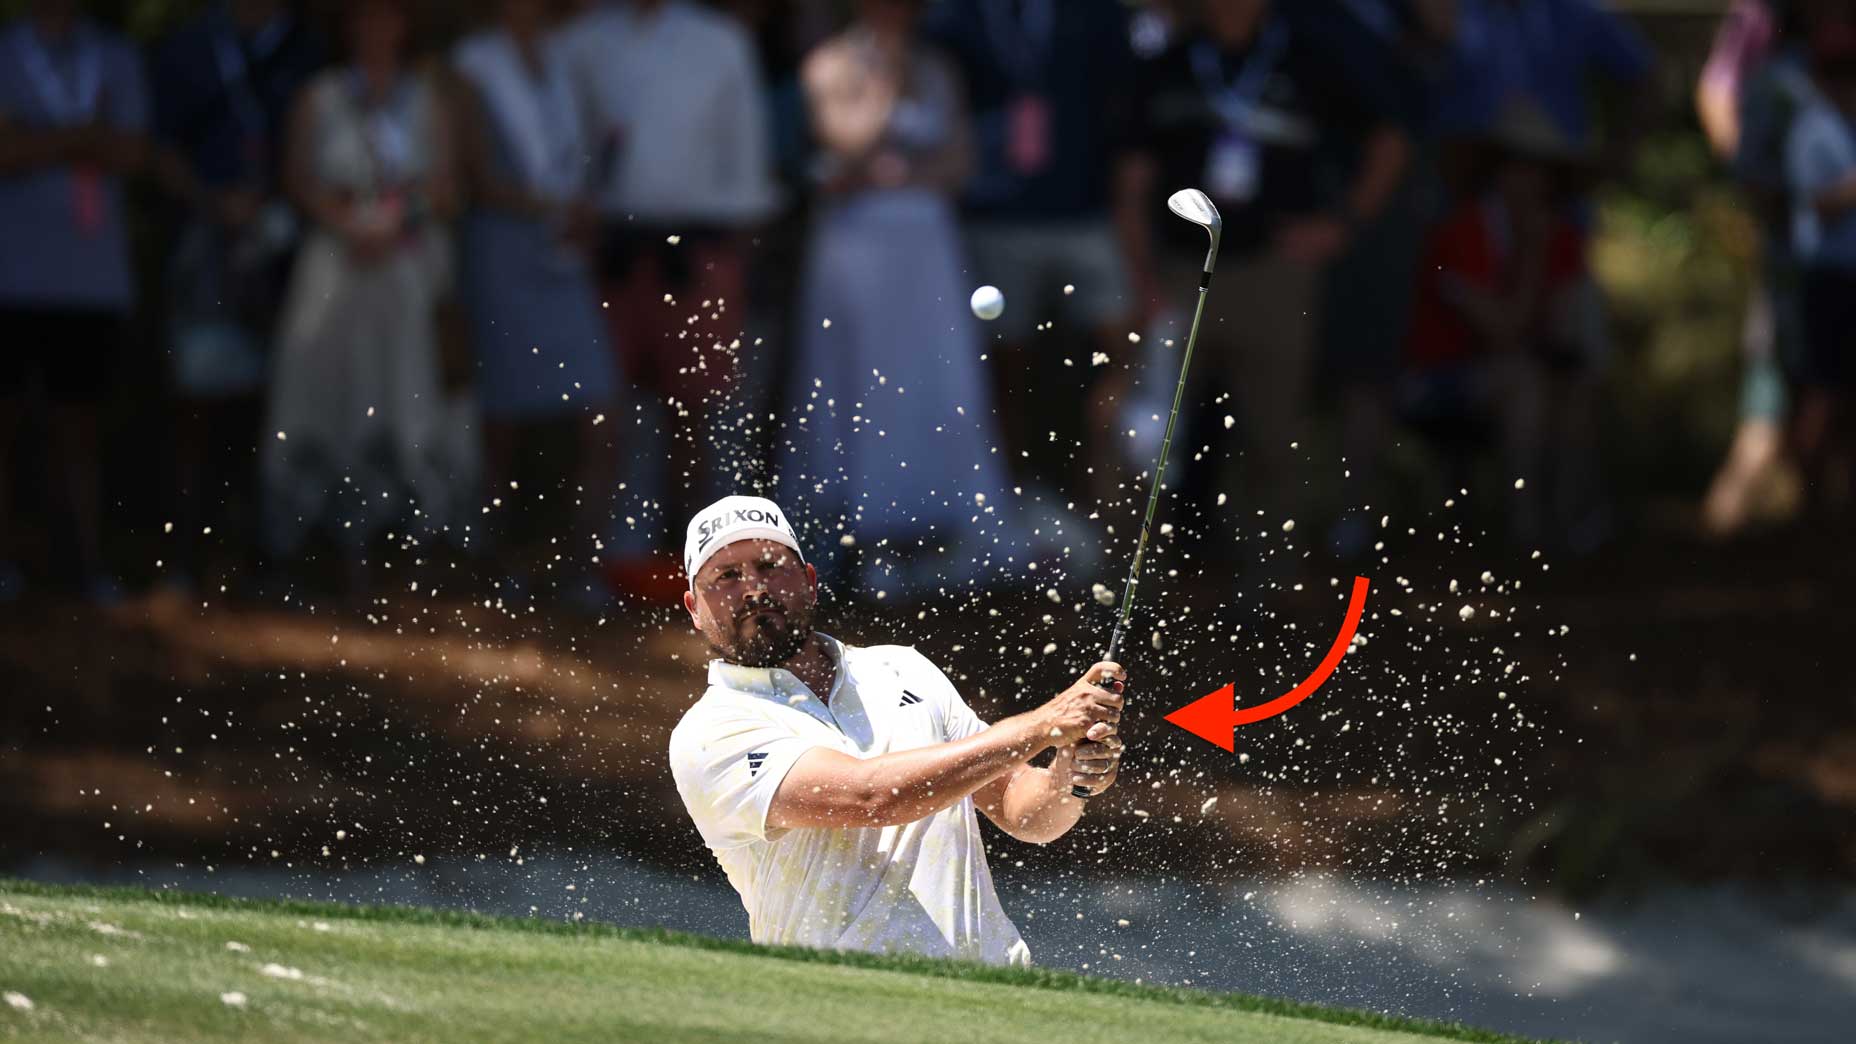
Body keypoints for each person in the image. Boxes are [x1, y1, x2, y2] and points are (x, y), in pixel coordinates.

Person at [668, 493, 1125, 962]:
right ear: (694, 608)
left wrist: (1068, 778)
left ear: (809, 581)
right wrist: (1047, 724)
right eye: (726, 576)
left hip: (991, 999)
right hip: (843, 1008)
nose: (753, 589)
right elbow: (873, 797)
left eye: (769, 566)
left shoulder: (903, 669)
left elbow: (1023, 813)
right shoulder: (709, 733)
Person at [1116, 0, 1411, 528]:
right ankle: (1133, 589)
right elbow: (1133, 177)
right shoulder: (1167, 62)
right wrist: (1142, 277)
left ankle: (1269, 595)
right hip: (1181, 273)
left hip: (1276, 271)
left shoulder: (1312, 54)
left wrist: (1341, 225)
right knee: (1152, 435)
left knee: (1274, 440)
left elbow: (1391, 136)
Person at [262, 0, 470, 594]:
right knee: (326, 391)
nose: (375, 28)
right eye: (363, 16)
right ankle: (314, 547)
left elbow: (449, 186)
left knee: (407, 390)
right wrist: (350, 224)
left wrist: (397, 219)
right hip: (336, 265)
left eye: (387, 16)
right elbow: (298, 179)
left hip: (407, 268)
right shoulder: (321, 95)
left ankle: (414, 547)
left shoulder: (426, 99)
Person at [557, 0, 779, 554]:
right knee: (601, 409)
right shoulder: (582, 41)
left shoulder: (721, 42)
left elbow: (747, 162)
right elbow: (566, 153)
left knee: (695, 413)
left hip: (698, 248)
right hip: (611, 249)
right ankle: (595, 557)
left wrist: (738, 254)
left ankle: (692, 562)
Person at [924, 0, 1137, 508]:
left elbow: (1125, 106)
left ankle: (1110, 498)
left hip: (1085, 211)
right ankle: (1009, 499)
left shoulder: (1098, 14)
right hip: (996, 217)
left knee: (1117, 349)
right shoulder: (956, 16)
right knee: (1003, 363)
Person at [150, 0, 325, 592]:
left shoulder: (306, 49)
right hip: (207, 249)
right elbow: (157, 143)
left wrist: (283, 199)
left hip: (287, 250)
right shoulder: (190, 46)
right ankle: (186, 558)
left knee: (278, 407)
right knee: (200, 401)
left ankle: (269, 556)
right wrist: (210, 201)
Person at [453, 0, 622, 608]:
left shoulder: (562, 58)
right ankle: (502, 564)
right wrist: (555, 208)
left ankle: (581, 564)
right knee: (505, 419)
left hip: (562, 252)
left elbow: (585, 154)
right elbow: (474, 175)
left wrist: (582, 209)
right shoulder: (471, 65)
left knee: (599, 409)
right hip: (503, 250)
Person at [1400, 100, 1602, 547]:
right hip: (1438, 379)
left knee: (1574, 384)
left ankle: (1567, 522)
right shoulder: (1460, 233)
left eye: (1539, 169)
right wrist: (1532, 256)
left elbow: (1565, 326)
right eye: (1516, 165)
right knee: (1524, 383)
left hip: (1517, 368)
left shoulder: (1562, 235)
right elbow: (1502, 328)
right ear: (1495, 170)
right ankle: (1524, 529)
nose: (1528, 180)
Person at [0, 0, 148, 604]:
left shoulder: (114, 56)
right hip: (11, 276)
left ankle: (86, 567)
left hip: (91, 279)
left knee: (82, 427)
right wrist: (84, 137)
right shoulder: (6, 52)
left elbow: (135, 152)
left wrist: (38, 140)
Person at [1698, 0, 1812, 536]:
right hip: (1795, 263)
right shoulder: (1771, 57)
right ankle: (1723, 524)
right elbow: (1717, 95)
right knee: (1766, 409)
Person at [1784, 9, 1856, 519]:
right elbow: (1819, 202)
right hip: (1828, 278)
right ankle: (1805, 502)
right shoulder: (1813, 129)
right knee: (1823, 392)